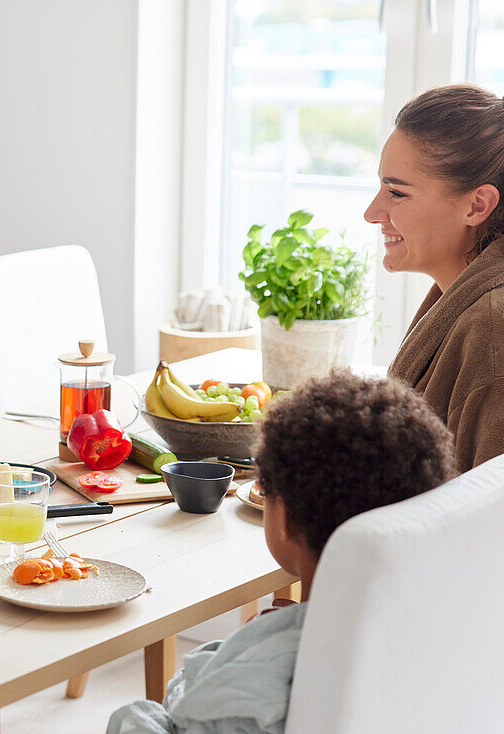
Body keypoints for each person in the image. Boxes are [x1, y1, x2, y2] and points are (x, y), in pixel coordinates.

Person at [105, 372, 455, 734]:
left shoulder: (266, 672)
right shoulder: (435, 635)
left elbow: (183, 713)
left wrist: (249, 647)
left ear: (284, 517)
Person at [364, 83, 504, 471]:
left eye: (397, 193)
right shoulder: (458, 299)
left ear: (477, 206)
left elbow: (488, 519)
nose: (372, 212)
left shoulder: (494, 330)